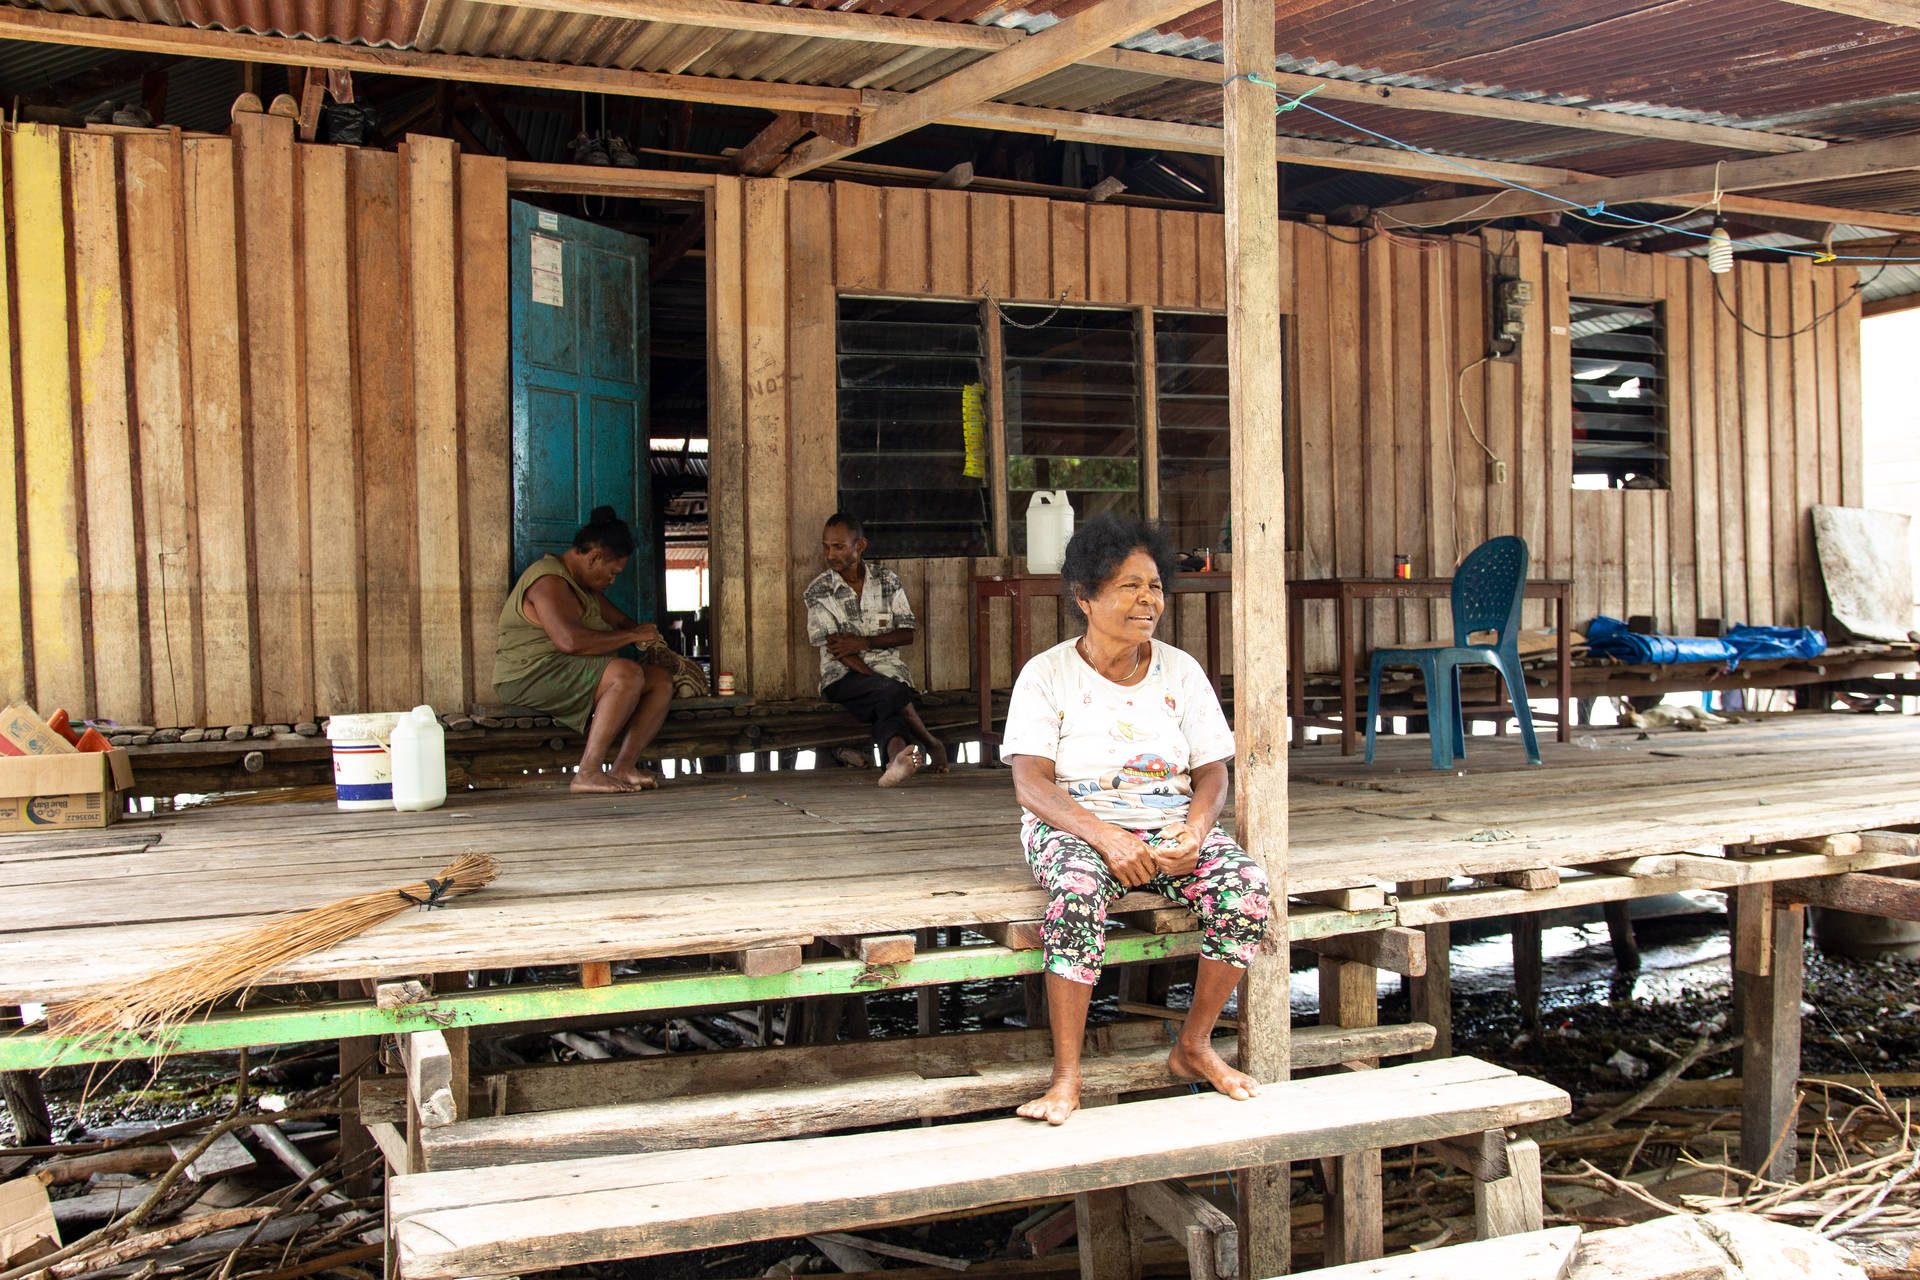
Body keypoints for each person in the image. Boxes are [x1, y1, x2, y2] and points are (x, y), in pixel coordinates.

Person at [1000, 512, 1271, 1124]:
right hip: (1076, 825)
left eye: (1154, 587)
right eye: (1129, 586)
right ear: (1085, 598)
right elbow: (1029, 782)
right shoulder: (1046, 675)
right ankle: (1067, 1077)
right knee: (1076, 890)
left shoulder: (1181, 671)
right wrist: (1105, 837)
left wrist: (1196, 831)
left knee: (1247, 891)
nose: (1147, 600)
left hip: (1169, 823)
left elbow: (1212, 773)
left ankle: (1194, 1046)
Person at [493, 507, 674, 794]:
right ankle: (588, 771)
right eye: (612, 573)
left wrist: (648, 637)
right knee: (626, 674)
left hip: (563, 669)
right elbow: (571, 642)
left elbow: (621, 621)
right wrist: (630, 636)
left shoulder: (584, 588)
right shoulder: (549, 582)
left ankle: (624, 766)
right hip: (528, 675)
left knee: (660, 681)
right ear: (594, 558)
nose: (613, 581)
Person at [803, 513, 951, 787]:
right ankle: (930, 742)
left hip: (890, 674)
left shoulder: (887, 581)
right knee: (889, 692)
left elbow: (907, 634)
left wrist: (864, 643)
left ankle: (896, 762)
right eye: (826, 546)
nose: (830, 554)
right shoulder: (819, 591)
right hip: (842, 677)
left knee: (886, 708)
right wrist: (876, 679)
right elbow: (840, 652)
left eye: (838, 546)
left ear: (859, 546)